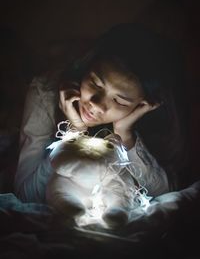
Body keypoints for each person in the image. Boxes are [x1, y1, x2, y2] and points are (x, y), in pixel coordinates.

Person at [14, 23, 188, 204]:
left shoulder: (153, 120)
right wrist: (74, 134)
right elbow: (26, 194)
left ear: (142, 105)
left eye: (119, 101)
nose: (97, 105)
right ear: (86, 67)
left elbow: (163, 196)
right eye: (95, 83)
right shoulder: (46, 91)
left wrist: (125, 136)